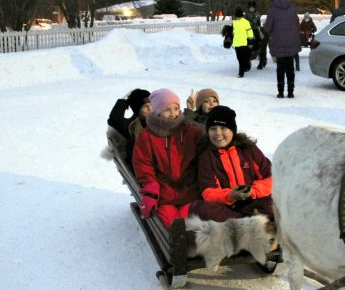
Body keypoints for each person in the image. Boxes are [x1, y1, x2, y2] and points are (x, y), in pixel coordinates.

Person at [132, 89, 204, 230]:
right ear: (157, 111)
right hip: (164, 195)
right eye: (167, 110)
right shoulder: (147, 136)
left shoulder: (190, 131)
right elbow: (143, 163)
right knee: (170, 225)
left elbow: (206, 147)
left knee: (188, 225)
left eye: (176, 108)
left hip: (190, 192)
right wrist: (151, 188)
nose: (173, 114)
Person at [192, 105, 273, 222]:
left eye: (223, 128)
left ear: (232, 130)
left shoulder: (248, 149)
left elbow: (271, 177)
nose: (218, 133)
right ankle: (246, 224)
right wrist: (230, 196)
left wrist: (253, 192)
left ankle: (246, 224)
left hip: (252, 203)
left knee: (274, 203)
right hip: (226, 209)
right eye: (213, 128)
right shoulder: (207, 156)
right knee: (199, 208)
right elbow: (208, 192)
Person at [264, 0, 302, 99]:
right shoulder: (293, 8)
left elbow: (267, 28)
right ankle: (291, 92)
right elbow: (296, 23)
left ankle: (280, 92)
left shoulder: (272, 10)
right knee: (290, 68)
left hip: (278, 43)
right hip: (291, 42)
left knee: (280, 68)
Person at [106, 88, 151, 162]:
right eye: (145, 106)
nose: (150, 108)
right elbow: (114, 119)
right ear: (137, 109)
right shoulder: (132, 127)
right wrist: (125, 101)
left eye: (151, 104)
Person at [231, 5, 254, 78]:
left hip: (244, 43)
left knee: (241, 59)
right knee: (239, 58)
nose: (237, 17)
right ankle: (244, 67)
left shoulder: (246, 22)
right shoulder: (234, 22)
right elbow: (234, 32)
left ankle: (241, 73)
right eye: (237, 16)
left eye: (238, 16)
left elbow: (249, 32)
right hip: (236, 43)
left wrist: (250, 41)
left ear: (241, 15)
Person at [244, 0, 268, 69]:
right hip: (248, 29)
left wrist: (256, 25)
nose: (252, 9)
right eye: (250, 8)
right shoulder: (246, 15)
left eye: (253, 8)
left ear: (255, 8)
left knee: (259, 36)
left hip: (255, 29)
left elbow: (257, 22)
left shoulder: (257, 14)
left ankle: (259, 45)